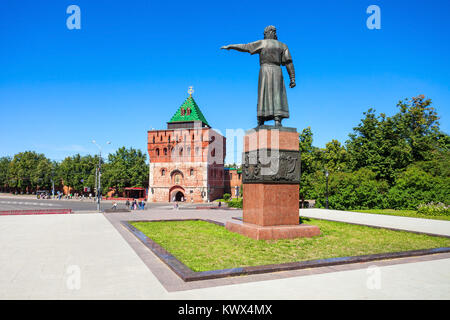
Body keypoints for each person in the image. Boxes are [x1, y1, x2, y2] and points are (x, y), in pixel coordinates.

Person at [221, 25, 296, 127]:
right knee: (276, 94)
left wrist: (231, 46)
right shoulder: (283, 46)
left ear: (268, 33)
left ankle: (262, 119)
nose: (265, 35)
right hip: (277, 71)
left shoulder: (263, 43)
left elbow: (245, 47)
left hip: (265, 71)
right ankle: (276, 119)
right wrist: (292, 78)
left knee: (263, 94)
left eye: (265, 33)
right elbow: (289, 63)